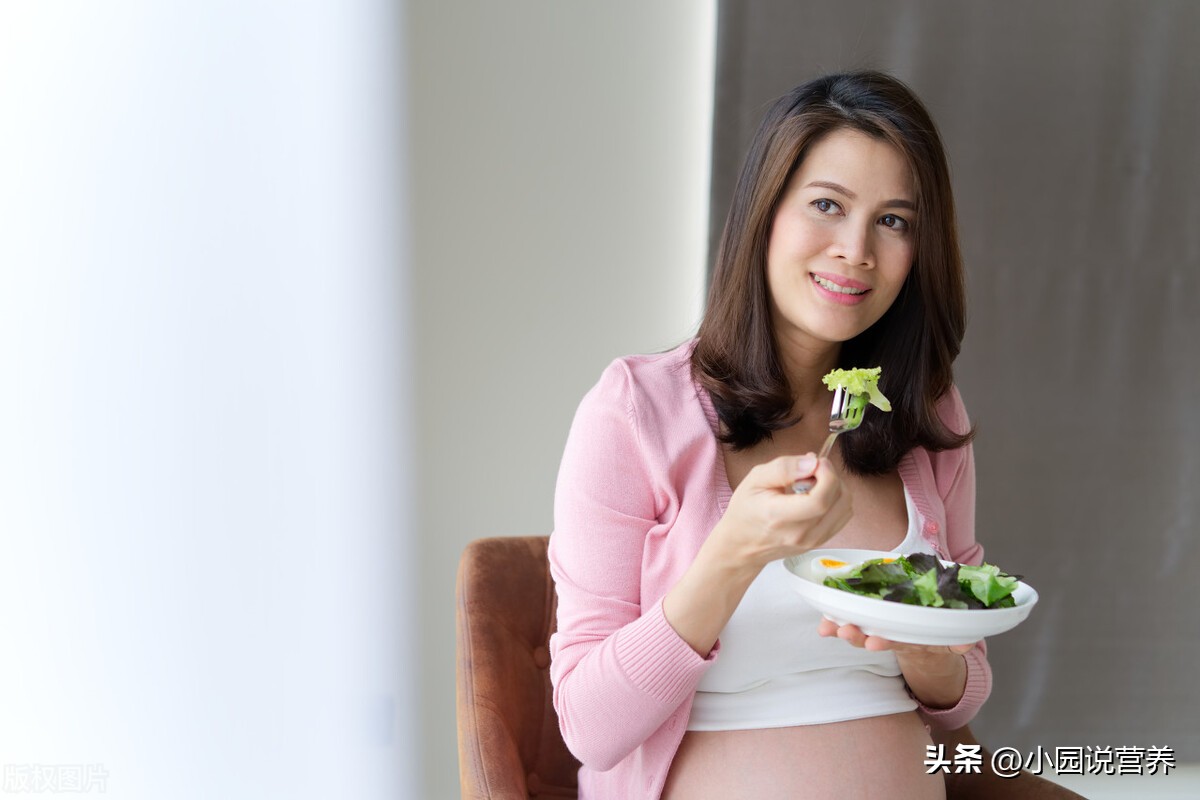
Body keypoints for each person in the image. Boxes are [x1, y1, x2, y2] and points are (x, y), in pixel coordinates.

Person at [549, 71, 988, 799]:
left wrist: (924, 649)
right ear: (766, 213)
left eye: (894, 221)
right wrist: (734, 553)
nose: (856, 250)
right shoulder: (634, 412)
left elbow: (963, 691)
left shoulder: (927, 413)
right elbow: (589, 728)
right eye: (827, 205)